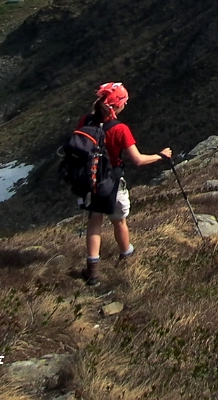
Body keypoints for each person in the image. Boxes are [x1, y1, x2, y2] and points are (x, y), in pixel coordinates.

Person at [79, 82, 172, 286]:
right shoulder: (120, 129)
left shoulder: (86, 121)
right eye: (125, 101)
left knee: (95, 221)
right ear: (117, 105)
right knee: (119, 221)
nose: (127, 104)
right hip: (112, 182)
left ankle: (92, 271)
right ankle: (126, 254)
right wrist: (161, 156)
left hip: (91, 181)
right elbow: (137, 160)